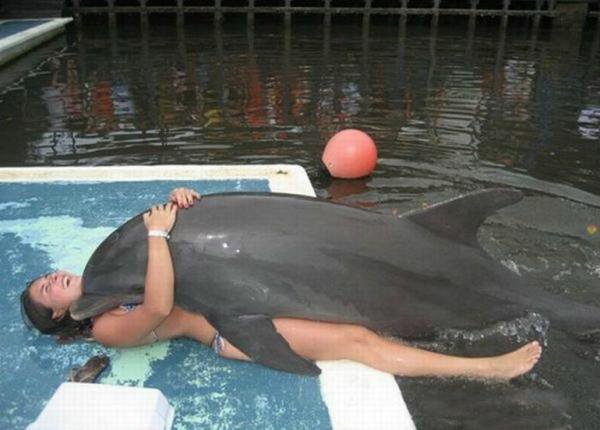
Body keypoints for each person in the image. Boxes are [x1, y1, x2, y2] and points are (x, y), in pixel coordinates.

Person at [21, 188, 542, 380]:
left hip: (240, 300)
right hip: (230, 329)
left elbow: (182, 245)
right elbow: (158, 306)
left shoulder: (106, 280)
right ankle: (485, 371)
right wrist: (158, 235)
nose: (54, 279)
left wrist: (182, 203)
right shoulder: (107, 325)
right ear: (64, 315)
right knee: (357, 341)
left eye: (47, 277)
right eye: (48, 291)